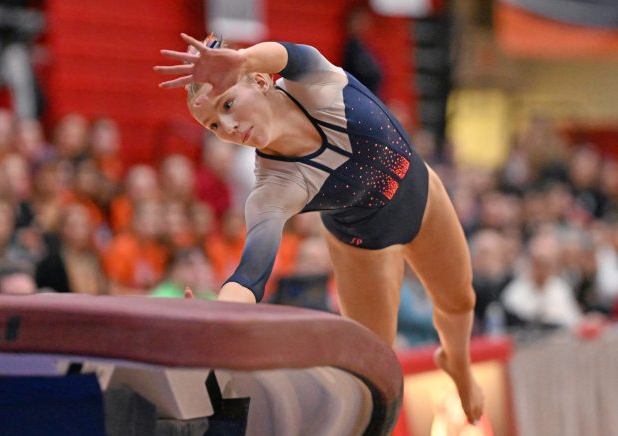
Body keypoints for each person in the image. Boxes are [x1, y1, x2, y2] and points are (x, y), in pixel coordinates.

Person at [155, 33, 483, 423]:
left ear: (260, 81)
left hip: (422, 200)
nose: (227, 127)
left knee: (459, 301)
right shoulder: (273, 188)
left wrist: (243, 60)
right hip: (362, 245)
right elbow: (250, 273)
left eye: (228, 105)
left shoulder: (316, 85)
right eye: (212, 125)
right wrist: (217, 319)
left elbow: (287, 55)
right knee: (376, 374)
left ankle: (457, 364)